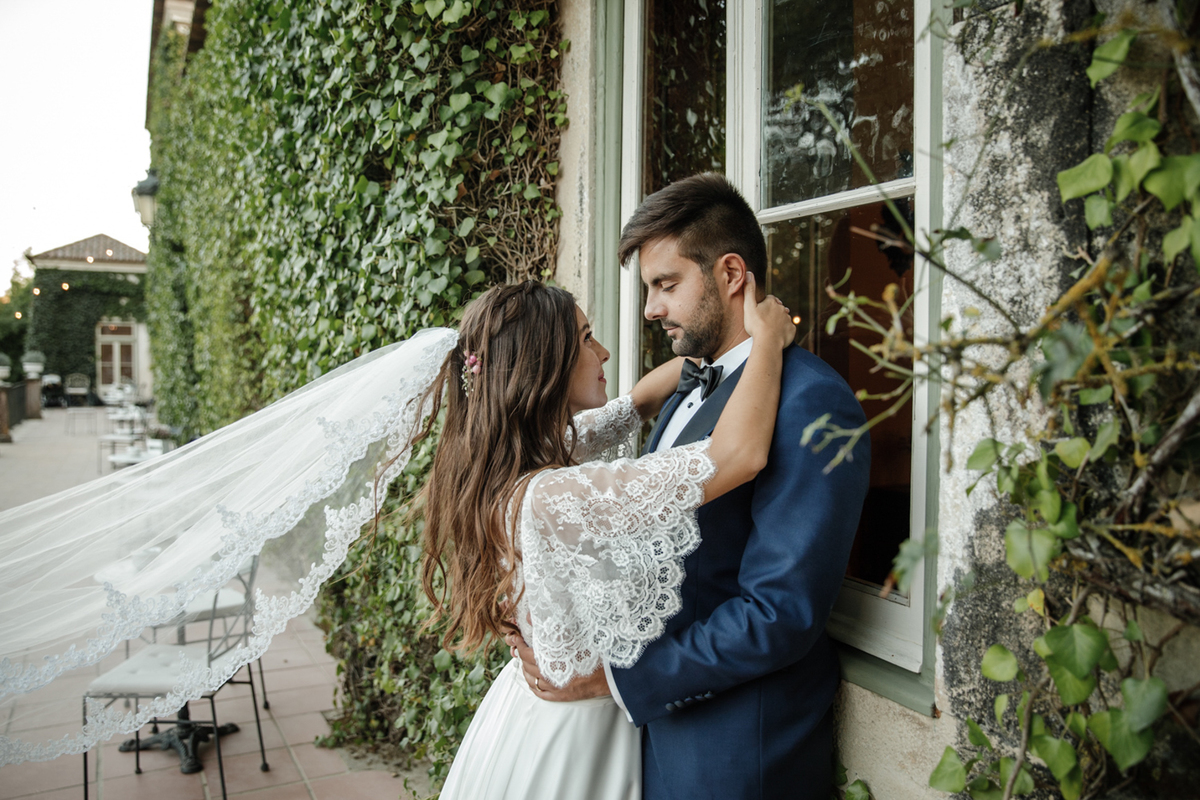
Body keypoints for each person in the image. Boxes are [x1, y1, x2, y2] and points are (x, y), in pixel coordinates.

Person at [510, 173, 872, 800]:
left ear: (732, 275)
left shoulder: (811, 403)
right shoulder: (685, 383)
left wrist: (617, 680)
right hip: (648, 740)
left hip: (733, 755)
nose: (651, 309)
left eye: (666, 285)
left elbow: (779, 614)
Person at [418, 277, 797, 799]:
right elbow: (740, 455)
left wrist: (719, 351)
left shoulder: (513, 465)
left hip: (527, 714)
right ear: (542, 366)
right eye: (586, 338)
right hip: (574, 736)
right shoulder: (552, 495)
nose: (605, 351)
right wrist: (768, 342)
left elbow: (637, 400)